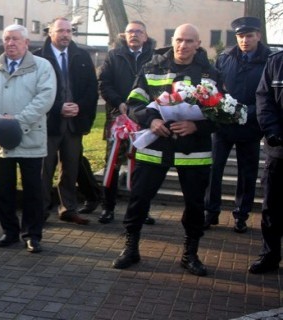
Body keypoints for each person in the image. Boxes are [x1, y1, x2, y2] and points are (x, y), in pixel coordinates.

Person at [112, 24, 221, 277]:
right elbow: (135, 103)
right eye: (179, 40)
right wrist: (151, 120)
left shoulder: (210, 72)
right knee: (139, 198)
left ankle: (190, 254)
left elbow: (221, 112)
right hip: (155, 144)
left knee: (194, 204)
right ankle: (131, 248)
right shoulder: (152, 66)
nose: (183, 46)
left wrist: (197, 125)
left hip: (193, 150)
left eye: (189, 41)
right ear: (172, 40)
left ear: (198, 43)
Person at [0, 24, 56, 252]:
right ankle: (9, 232)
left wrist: (16, 121)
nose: (11, 43)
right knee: (3, 190)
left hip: (31, 138)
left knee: (33, 191)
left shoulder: (42, 67)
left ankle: (32, 235)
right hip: (0, 140)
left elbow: (45, 97)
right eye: (7, 38)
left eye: (16, 39)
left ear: (26, 43)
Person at [204, 17, 269, 234]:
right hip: (223, 126)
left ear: (258, 36)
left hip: (250, 127)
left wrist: (246, 112)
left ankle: (241, 215)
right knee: (214, 169)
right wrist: (219, 106)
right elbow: (214, 87)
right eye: (240, 36)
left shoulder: (270, 60)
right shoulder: (225, 58)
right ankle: (210, 211)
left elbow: (268, 95)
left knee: (247, 173)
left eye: (249, 36)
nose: (244, 40)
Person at [34, 17, 98, 225]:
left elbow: (91, 89)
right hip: (48, 122)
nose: (65, 35)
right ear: (50, 32)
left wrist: (79, 106)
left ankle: (68, 209)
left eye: (69, 31)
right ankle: (41, 210)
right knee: (45, 169)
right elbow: (33, 92)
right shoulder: (37, 58)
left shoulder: (82, 56)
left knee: (70, 168)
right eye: (61, 30)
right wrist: (57, 107)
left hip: (74, 123)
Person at [97, 20, 158, 225]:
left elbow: (160, 87)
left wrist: (145, 109)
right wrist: (119, 103)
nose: (134, 35)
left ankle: (142, 209)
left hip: (145, 119)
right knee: (112, 163)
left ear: (146, 35)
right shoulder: (114, 56)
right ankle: (108, 208)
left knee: (143, 165)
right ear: (124, 35)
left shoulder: (155, 57)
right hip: (119, 117)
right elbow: (104, 83)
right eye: (130, 32)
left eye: (139, 31)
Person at [250, 48, 283, 274]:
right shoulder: (276, 62)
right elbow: (264, 98)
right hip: (279, 149)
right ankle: (270, 255)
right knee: (272, 206)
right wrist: (273, 131)